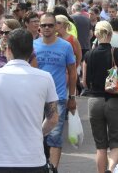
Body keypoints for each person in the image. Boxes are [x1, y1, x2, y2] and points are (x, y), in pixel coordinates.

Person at [0, 28, 59, 172]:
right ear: (31, 51)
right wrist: (36, 134)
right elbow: (53, 119)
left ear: (8, 49)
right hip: (33, 159)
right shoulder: (45, 78)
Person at [82, 21, 118, 173]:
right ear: (111, 34)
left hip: (94, 102)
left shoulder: (88, 55)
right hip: (114, 101)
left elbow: (84, 82)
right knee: (116, 142)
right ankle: (111, 170)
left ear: (96, 35)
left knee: (100, 145)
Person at [34, 13, 77, 169]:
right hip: (36, 98)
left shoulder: (65, 46)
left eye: (50, 25)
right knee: (37, 134)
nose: (47, 28)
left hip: (57, 98)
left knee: (54, 136)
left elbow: (72, 72)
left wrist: (71, 96)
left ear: (56, 27)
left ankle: (53, 168)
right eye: (44, 25)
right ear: (39, 26)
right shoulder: (33, 45)